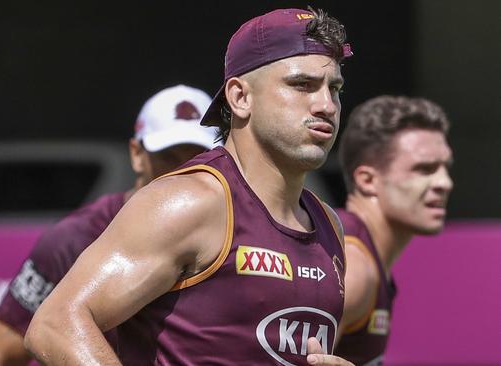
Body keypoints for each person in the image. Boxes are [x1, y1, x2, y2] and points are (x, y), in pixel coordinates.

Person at [25, 8, 355, 366]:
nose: (326, 105)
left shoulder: (328, 225)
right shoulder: (189, 202)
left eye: (334, 89)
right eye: (302, 84)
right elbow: (56, 324)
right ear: (240, 97)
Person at [0, 84, 219, 366]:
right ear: (137, 154)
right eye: (168, 157)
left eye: (197, 159)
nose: (181, 171)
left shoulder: (234, 229)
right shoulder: (73, 239)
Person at [333, 96, 453, 365]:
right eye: (424, 169)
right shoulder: (354, 268)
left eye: (446, 168)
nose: (444, 183)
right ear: (367, 180)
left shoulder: (366, 260)